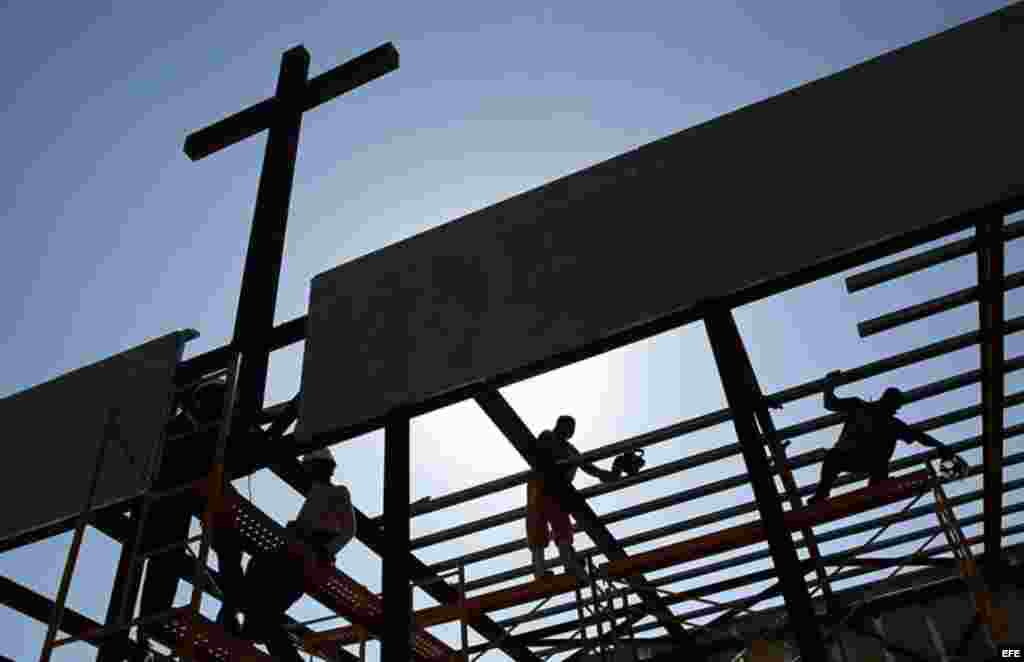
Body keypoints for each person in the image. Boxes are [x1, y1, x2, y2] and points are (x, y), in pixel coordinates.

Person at [239, 447, 355, 662]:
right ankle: (251, 628)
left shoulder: (338, 492)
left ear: (322, 467)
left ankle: (250, 629)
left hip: (307, 559)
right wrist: (296, 529)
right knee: (265, 606)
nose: (307, 470)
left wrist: (324, 550)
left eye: (310, 466)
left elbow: (349, 530)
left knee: (265, 606)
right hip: (296, 555)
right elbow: (310, 526)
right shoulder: (315, 494)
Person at [808, 370, 954, 505]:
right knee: (832, 458)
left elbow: (919, 436)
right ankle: (823, 493)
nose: (895, 410)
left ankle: (876, 485)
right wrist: (829, 384)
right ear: (887, 402)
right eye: (895, 407)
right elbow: (830, 404)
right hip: (849, 457)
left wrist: (940, 446)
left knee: (839, 458)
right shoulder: (861, 408)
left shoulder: (888, 421)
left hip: (869, 461)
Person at [527, 415, 618, 582]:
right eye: (568, 427)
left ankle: (562, 566)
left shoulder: (569, 449)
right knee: (543, 528)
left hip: (553, 491)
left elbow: (587, 466)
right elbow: (544, 454)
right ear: (559, 426)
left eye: (572, 429)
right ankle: (546, 570)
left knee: (556, 528)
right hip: (544, 487)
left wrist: (605, 474)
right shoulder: (548, 437)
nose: (570, 432)